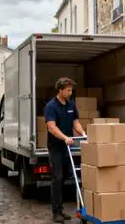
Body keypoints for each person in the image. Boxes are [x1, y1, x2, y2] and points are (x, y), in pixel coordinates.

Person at [43, 77, 86, 223]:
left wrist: (83, 134)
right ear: (60, 90)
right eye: (68, 90)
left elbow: (76, 122)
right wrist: (65, 138)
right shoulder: (51, 106)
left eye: (71, 90)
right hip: (56, 147)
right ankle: (56, 211)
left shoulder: (71, 105)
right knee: (57, 178)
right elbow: (51, 127)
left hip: (68, 146)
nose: (70, 92)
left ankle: (60, 209)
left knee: (67, 176)